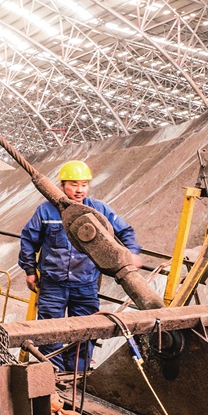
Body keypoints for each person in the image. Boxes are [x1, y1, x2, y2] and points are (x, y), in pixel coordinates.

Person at [18, 160, 141, 373]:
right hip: (53, 285)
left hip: (85, 284)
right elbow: (29, 239)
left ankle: (78, 374)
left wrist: (132, 253)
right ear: (62, 185)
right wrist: (30, 271)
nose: (79, 190)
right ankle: (52, 376)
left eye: (84, 184)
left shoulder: (98, 210)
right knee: (50, 333)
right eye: (74, 184)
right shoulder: (46, 212)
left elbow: (125, 231)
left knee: (86, 332)